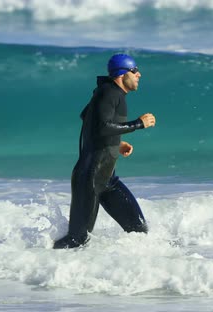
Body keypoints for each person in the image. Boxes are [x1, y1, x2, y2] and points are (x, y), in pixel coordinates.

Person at [53, 54, 156, 249]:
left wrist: (116, 143)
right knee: (77, 240)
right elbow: (101, 126)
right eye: (135, 71)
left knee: (138, 230)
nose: (139, 74)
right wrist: (138, 124)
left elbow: (88, 117)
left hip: (107, 179)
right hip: (90, 178)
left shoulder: (110, 92)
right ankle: (32, 262)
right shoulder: (110, 93)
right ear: (122, 74)